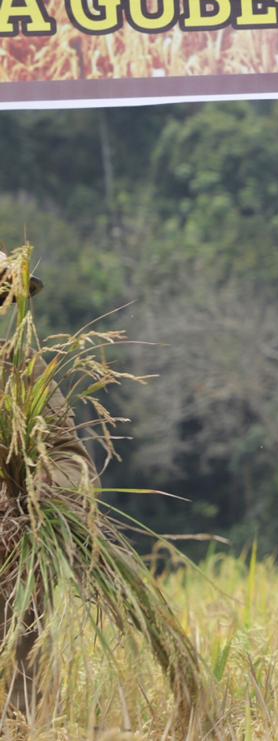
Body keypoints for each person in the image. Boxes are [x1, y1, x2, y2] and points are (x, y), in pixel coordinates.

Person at [0, 254, 88, 715]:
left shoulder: (23, 371)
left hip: (12, 548)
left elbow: (68, 455)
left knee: (21, 667)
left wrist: (33, 495)